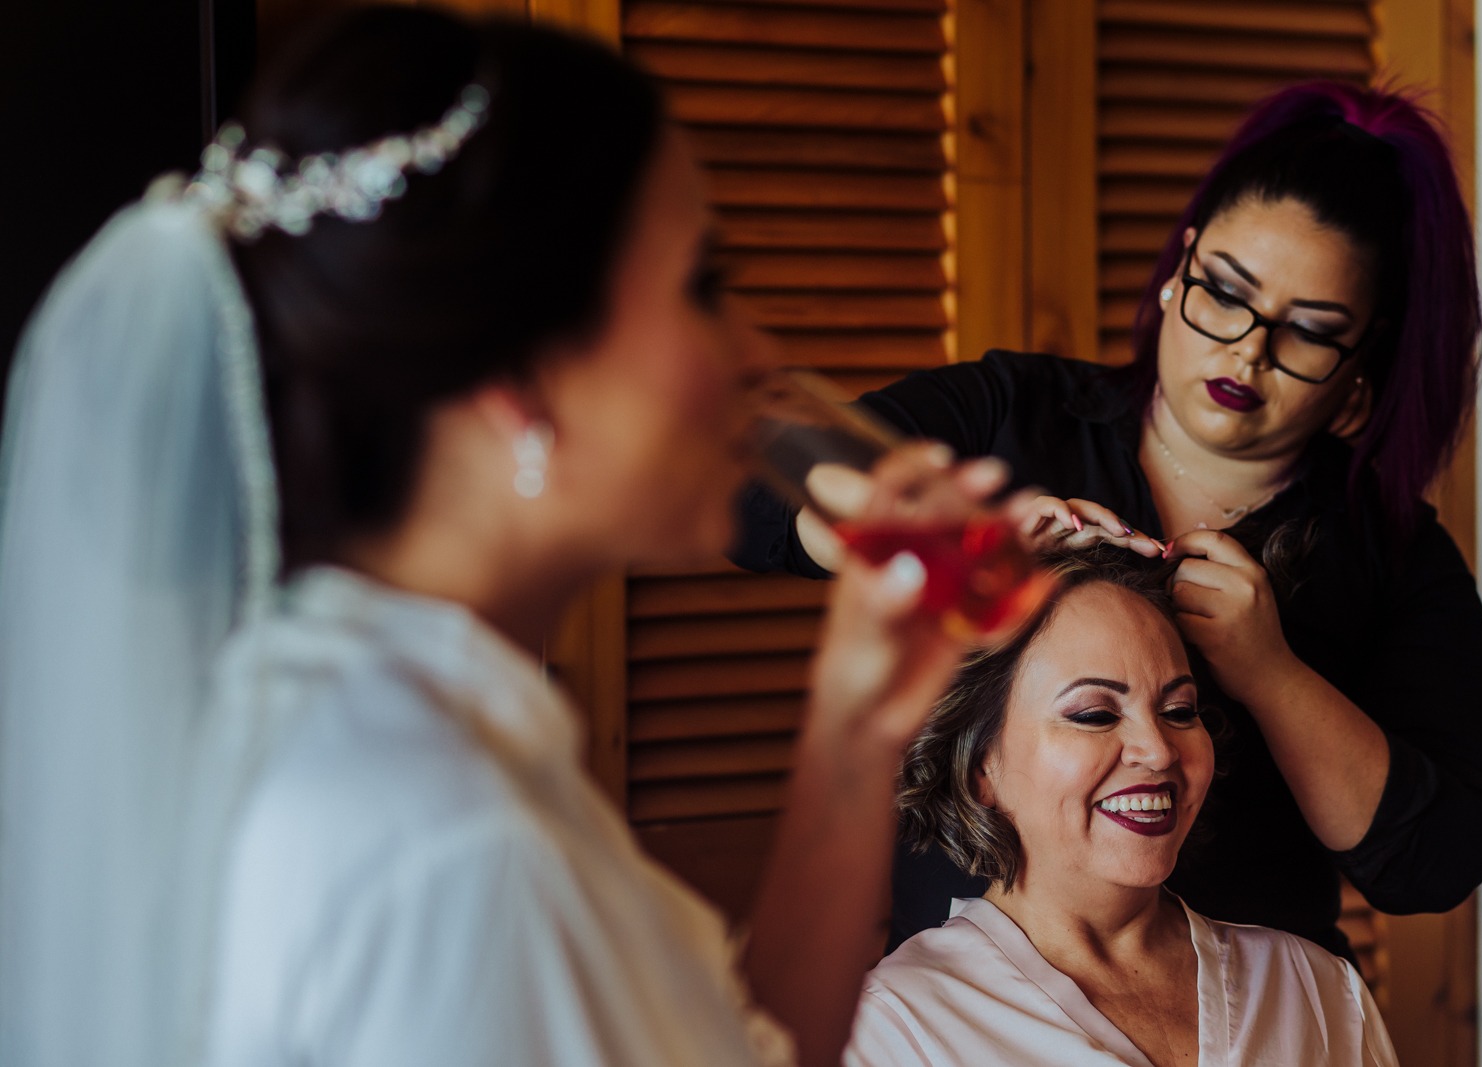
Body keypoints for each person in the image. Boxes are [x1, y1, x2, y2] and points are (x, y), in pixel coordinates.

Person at [0, 9, 999, 1067]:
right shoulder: (452, 843)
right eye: (704, 285)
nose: (756, 349)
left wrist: (853, 729)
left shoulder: (357, 712)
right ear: (518, 380)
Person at [735, 81, 1482, 960]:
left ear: (1363, 365)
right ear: (1179, 270)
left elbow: (1438, 862)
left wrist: (1273, 675)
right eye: (1226, 291)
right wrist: (951, 541)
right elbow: (748, 486)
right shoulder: (1010, 413)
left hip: (1250, 1020)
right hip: (976, 1013)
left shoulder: (1395, 555)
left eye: (1310, 331)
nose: (1248, 349)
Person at [844, 547, 1398, 1067]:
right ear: (978, 769)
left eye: (1179, 710)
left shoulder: (1318, 990)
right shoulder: (894, 1028)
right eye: (1094, 715)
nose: (1159, 750)